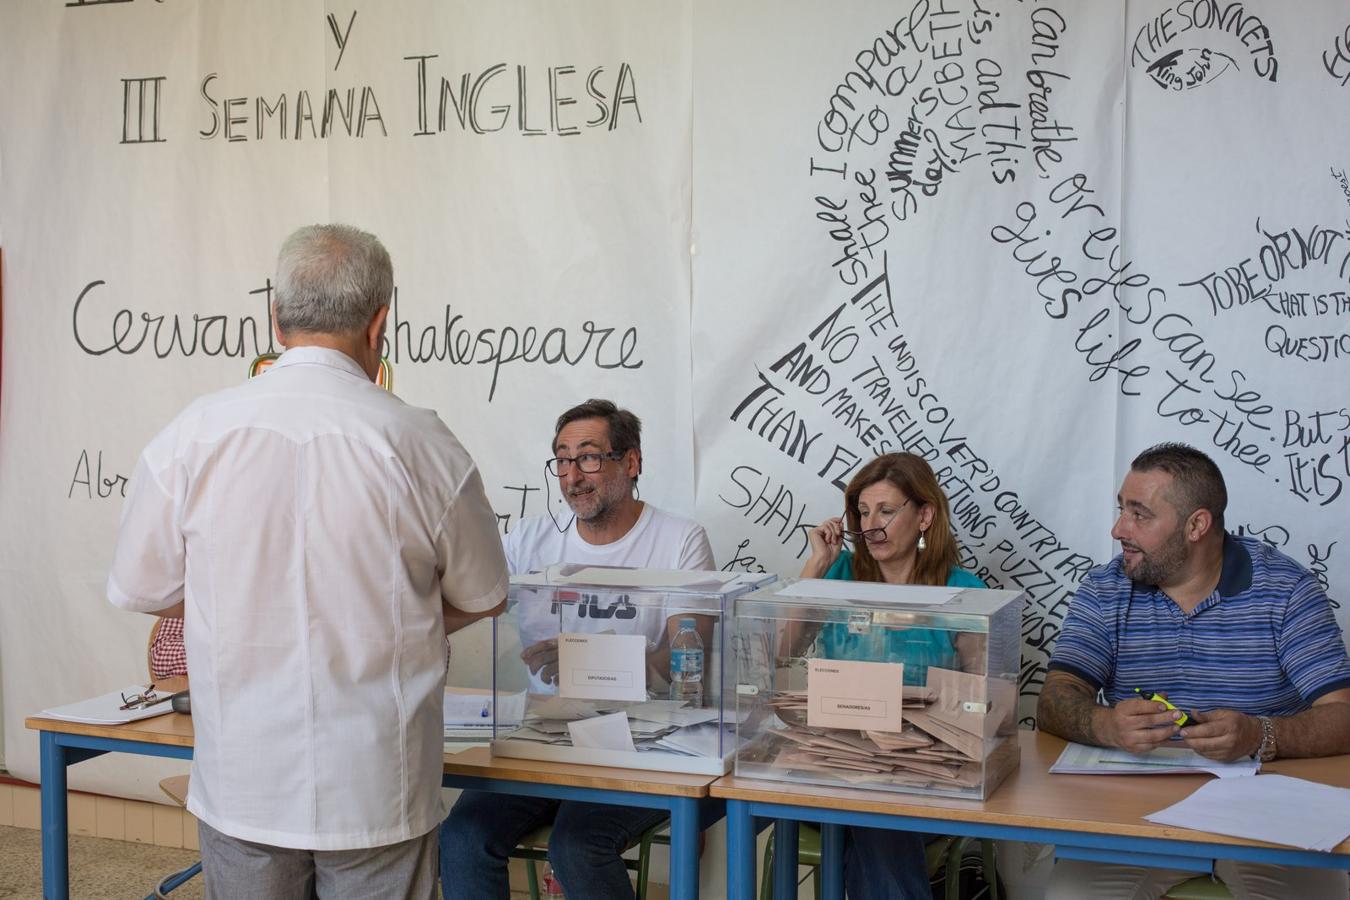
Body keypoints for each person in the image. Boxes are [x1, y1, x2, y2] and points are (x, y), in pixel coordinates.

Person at [107, 224, 509, 899]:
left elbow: (139, 583)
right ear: (380, 325)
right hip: (378, 776)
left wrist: (231, 605)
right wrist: (394, 617)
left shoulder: (193, 435)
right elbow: (485, 592)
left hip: (243, 772)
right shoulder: (422, 443)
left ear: (274, 317)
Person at [1038, 443, 1350, 900]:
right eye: (1121, 509)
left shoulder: (1286, 590)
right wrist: (1104, 723)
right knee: (1068, 896)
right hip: (1133, 816)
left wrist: (1260, 735)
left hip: (1268, 815)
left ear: (1197, 525)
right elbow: (1055, 697)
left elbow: (1343, 716)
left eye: (1139, 514)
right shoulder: (1105, 588)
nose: (1118, 529)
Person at [439, 398, 715, 900]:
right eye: (562, 460)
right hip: (542, 737)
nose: (573, 476)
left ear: (630, 463)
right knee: (461, 836)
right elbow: (466, 600)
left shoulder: (680, 541)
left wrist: (588, 660)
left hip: (640, 744)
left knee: (577, 846)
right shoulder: (528, 540)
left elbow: (685, 662)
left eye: (588, 457)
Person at [798, 451, 986, 900]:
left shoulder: (965, 593)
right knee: (871, 817)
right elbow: (779, 648)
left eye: (885, 510)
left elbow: (981, 703)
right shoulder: (837, 574)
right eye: (862, 512)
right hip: (832, 764)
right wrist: (816, 567)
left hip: (922, 772)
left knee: (875, 820)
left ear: (924, 515)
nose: (871, 525)